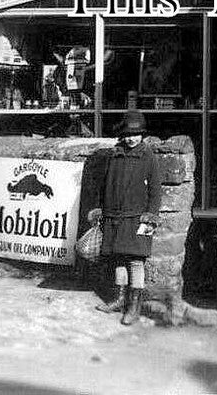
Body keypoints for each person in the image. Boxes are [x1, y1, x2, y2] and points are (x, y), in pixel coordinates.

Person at [86, 109, 161, 326]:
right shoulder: (115, 155)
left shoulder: (148, 157)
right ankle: (119, 299)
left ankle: (134, 306)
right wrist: (101, 209)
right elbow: (105, 184)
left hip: (137, 218)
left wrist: (150, 216)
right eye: (128, 134)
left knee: (136, 261)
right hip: (114, 215)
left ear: (142, 135)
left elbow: (155, 190)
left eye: (136, 134)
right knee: (118, 258)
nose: (131, 138)